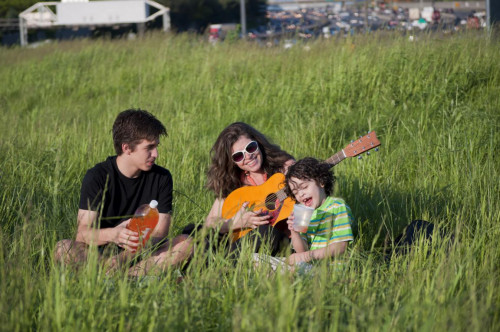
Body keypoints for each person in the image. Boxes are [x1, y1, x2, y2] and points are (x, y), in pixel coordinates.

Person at [54, 109, 192, 276]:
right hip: (99, 254)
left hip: (143, 256)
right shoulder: (97, 176)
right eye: (149, 147)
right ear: (126, 148)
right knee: (63, 248)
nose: (155, 154)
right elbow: (82, 234)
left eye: (156, 146)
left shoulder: (162, 177)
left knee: (186, 243)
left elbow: (159, 234)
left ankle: (126, 278)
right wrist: (115, 234)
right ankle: (109, 274)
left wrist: (123, 259)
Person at [203, 122, 295, 256]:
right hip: (243, 241)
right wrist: (236, 222)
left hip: (282, 239)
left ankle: (221, 265)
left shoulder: (284, 167)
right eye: (239, 156)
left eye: (250, 148)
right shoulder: (232, 182)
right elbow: (210, 223)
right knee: (193, 231)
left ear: (258, 143)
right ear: (231, 161)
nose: (248, 156)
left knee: (266, 233)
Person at [284, 157, 354, 265]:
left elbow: (340, 247)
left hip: (329, 270)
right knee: (256, 259)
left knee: (290, 270)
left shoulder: (337, 206)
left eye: (304, 187)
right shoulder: (304, 214)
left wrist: (305, 256)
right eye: (295, 192)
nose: (301, 194)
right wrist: (294, 232)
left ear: (321, 181)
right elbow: (302, 251)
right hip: (309, 266)